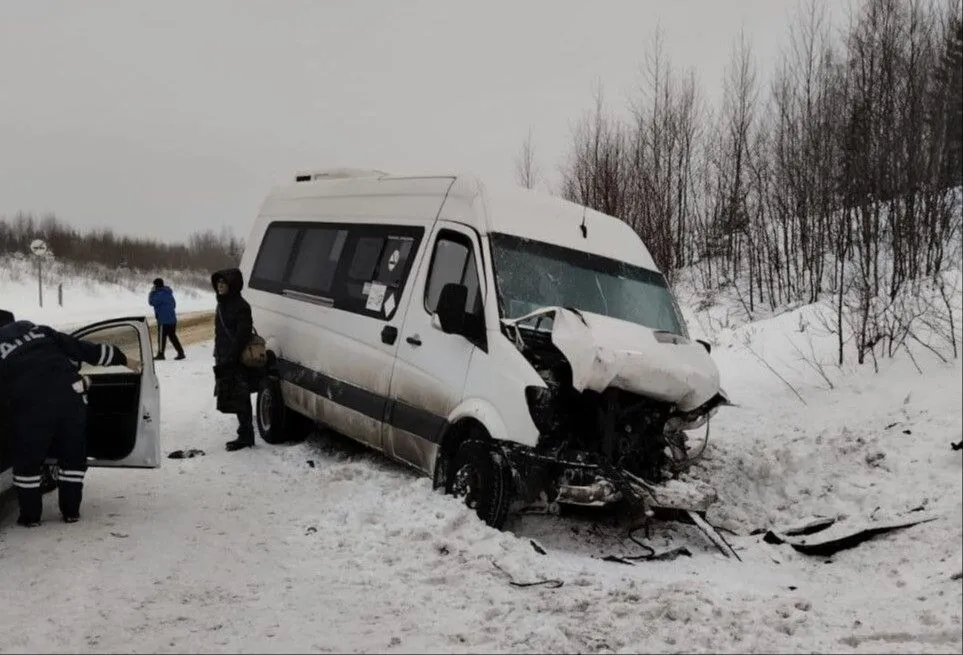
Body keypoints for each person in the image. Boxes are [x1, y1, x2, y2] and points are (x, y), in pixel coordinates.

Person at [0, 309, 132, 526]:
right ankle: (71, 512)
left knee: (28, 464)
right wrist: (122, 357)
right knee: (72, 458)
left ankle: (30, 517)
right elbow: (83, 349)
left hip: (32, 407)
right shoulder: (39, 331)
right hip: (71, 399)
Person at [211, 268, 260, 451]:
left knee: (241, 396)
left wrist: (232, 356)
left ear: (233, 285)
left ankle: (246, 436)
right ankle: (244, 433)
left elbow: (243, 334)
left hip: (236, 359)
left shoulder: (241, 306)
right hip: (224, 356)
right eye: (218, 282)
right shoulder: (222, 303)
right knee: (233, 395)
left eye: (224, 283)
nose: (220, 286)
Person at [148, 277, 186, 360]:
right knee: (172, 336)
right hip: (172, 320)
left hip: (163, 320)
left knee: (161, 338)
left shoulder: (158, 294)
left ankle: (161, 354)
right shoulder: (169, 293)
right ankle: (181, 353)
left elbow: (151, 302)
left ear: (156, 285)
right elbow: (174, 305)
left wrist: (151, 292)